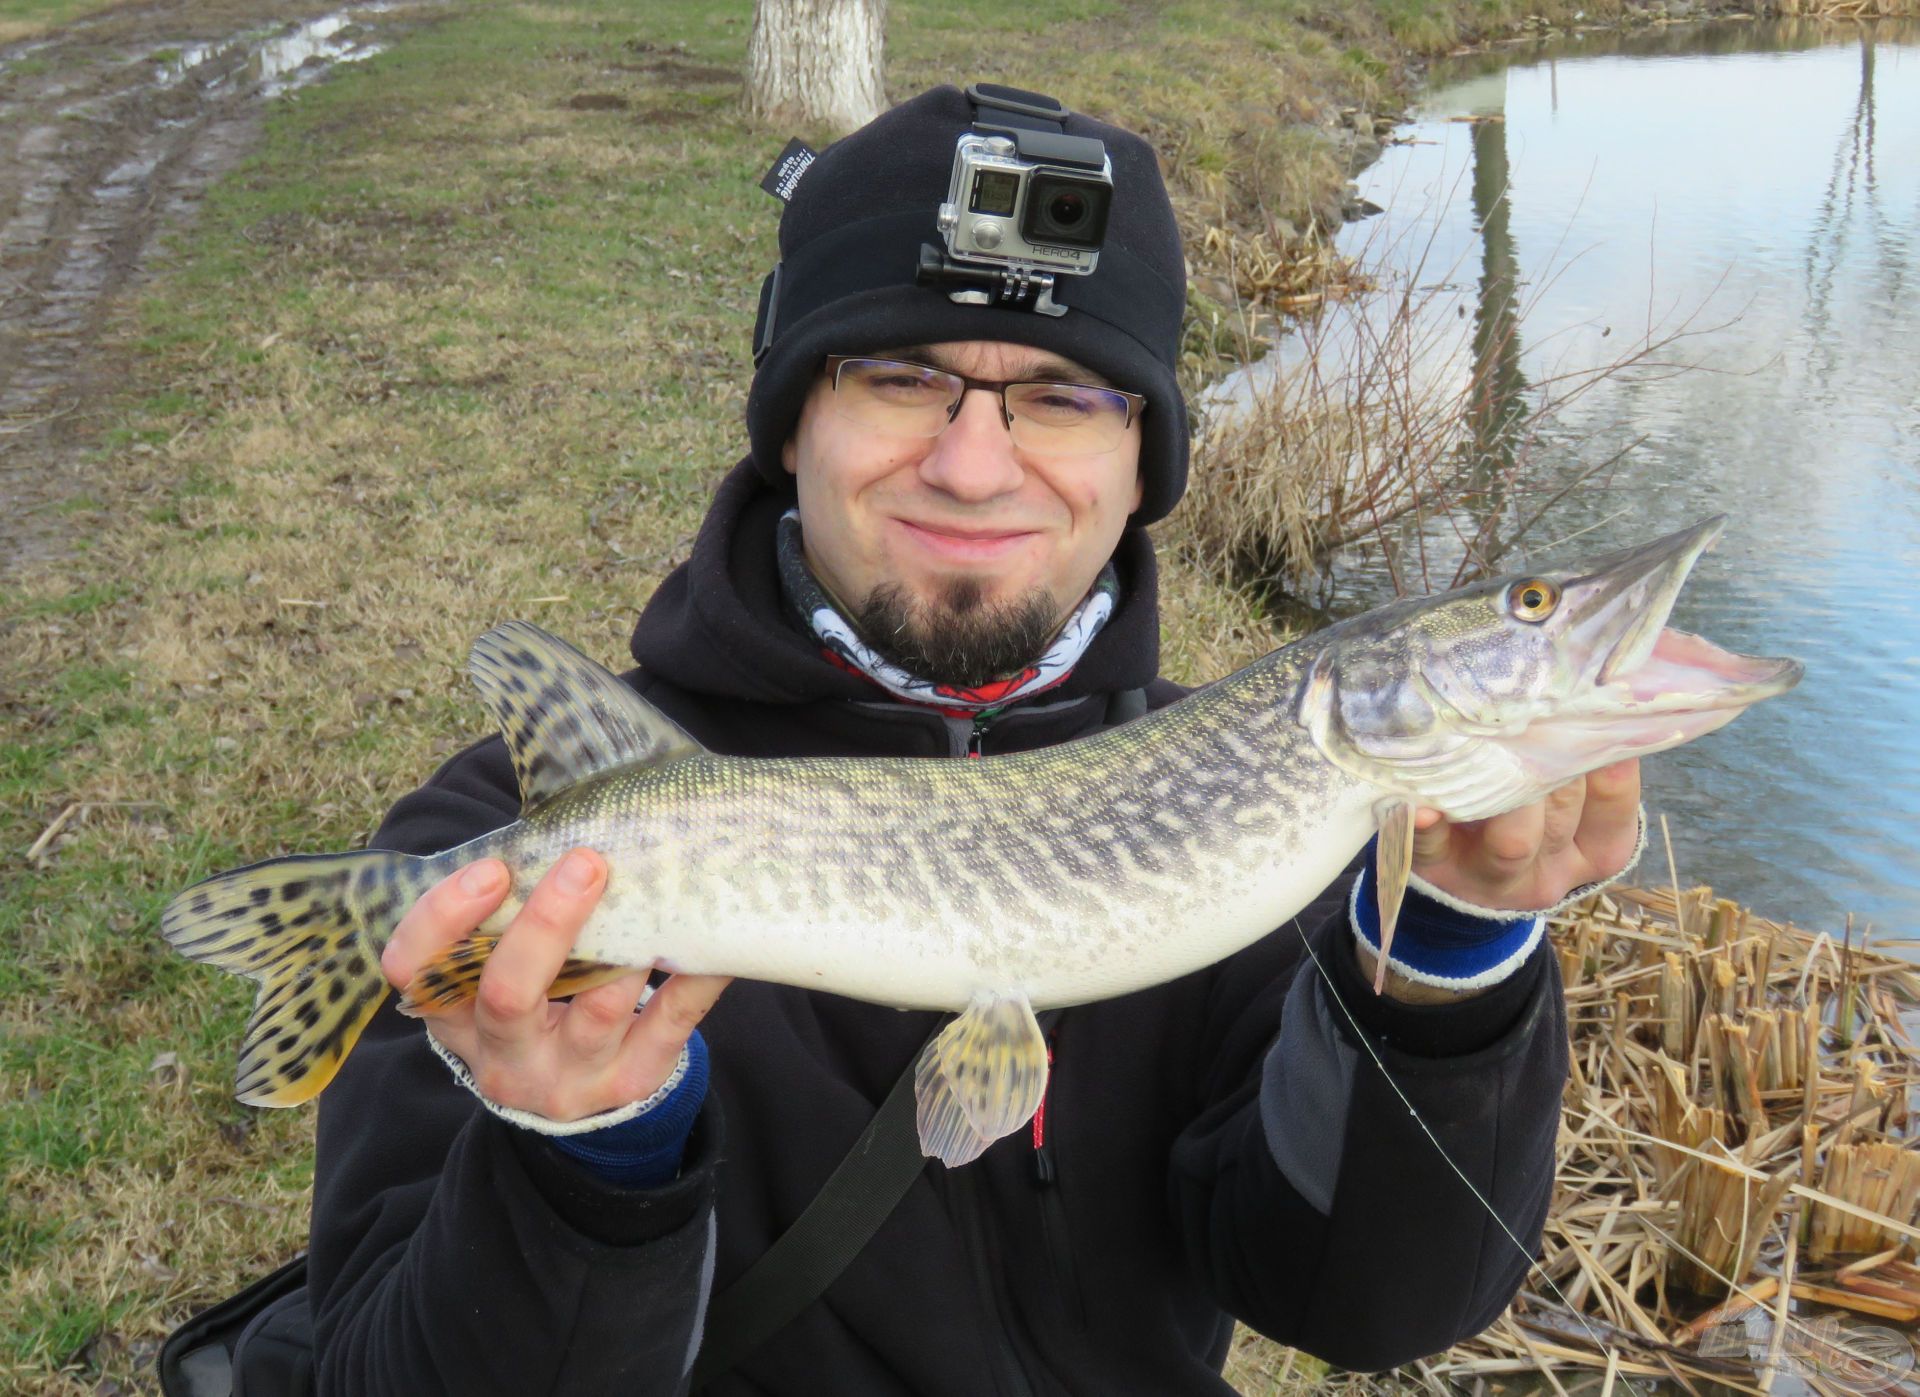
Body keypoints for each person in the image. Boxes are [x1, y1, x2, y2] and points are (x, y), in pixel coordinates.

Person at [307, 84, 1642, 1395]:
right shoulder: (478, 853)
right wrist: (584, 1154)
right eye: (900, 378)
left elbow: (1363, 1300)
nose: (975, 465)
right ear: (793, 424)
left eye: (1063, 397)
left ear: (1141, 461)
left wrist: (1450, 955)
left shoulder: (1251, 812)